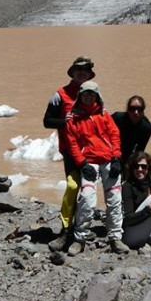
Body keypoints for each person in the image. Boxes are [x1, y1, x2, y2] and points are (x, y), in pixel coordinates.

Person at [64, 80, 129, 255]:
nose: (88, 96)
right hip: (89, 162)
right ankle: (80, 239)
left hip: (109, 159)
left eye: (91, 94)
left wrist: (117, 157)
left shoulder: (104, 114)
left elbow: (114, 134)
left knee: (115, 199)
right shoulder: (73, 119)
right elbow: (72, 144)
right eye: (85, 93)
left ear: (96, 96)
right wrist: (82, 163)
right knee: (87, 199)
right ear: (80, 96)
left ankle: (116, 238)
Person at [43, 55, 95, 250]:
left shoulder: (93, 93)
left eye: (86, 70)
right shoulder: (60, 94)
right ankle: (65, 230)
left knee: (87, 191)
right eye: (79, 69)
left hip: (90, 150)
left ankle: (81, 229)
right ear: (73, 72)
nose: (82, 72)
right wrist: (65, 121)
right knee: (73, 187)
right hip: (70, 151)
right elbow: (47, 121)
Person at [112, 95, 151, 167]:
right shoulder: (117, 118)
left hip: (129, 154)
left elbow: (140, 149)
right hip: (111, 151)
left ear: (143, 111)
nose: (136, 112)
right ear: (128, 110)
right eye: (132, 108)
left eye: (139, 109)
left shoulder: (146, 128)